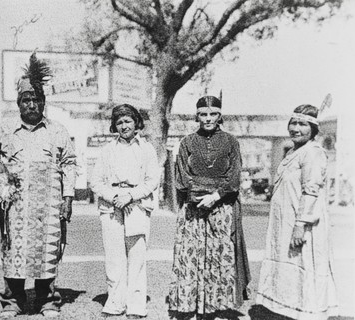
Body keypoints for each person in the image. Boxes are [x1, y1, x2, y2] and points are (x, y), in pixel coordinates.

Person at [0, 53, 76, 319]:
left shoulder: (57, 130)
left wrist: (68, 197)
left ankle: (47, 301)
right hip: (16, 205)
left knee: (47, 250)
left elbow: (69, 164)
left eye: (36, 100)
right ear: (19, 103)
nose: (32, 104)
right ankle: (13, 302)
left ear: (44, 102)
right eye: (26, 100)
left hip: (49, 204)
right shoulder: (6, 127)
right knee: (14, 252)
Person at [168, 96, 250, 320]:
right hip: (193, 209)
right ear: (197, 116)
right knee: (192, 255)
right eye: (203, 114)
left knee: (216, 255)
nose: (208, 119)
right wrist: (197, 196)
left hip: (221, 208)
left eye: (213, 114)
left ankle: (214, 304)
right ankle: (190, 303)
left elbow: (234, 177)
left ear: (220, 115)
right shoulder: (187, 142)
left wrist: (215, 196)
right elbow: (182, 177)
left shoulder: (231, 142)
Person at [256, 105, 338, 319]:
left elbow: (310, 190)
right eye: (293, 123)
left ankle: (308, 313)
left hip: (302, 224)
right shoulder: (293, 152)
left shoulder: (313, 153)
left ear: (313, 128)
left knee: (304, 266)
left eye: (302, 124)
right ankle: (289, 311)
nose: (296, 128)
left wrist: (300, 225)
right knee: (287, 267)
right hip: (285, 223)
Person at [90, 104, 160, 319]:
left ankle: (136, 306)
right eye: (119, 122)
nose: (124, 126)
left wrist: (131, 196)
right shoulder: (107, 150)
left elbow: (152, 180)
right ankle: (114, 303)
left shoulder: (146, 148)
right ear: (114, 126)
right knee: (114, 257)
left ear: (136, 122)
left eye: (128, 121)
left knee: (137, 256)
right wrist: (113, 197)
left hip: (137, 204)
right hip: (111, 206)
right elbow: (95, 181)